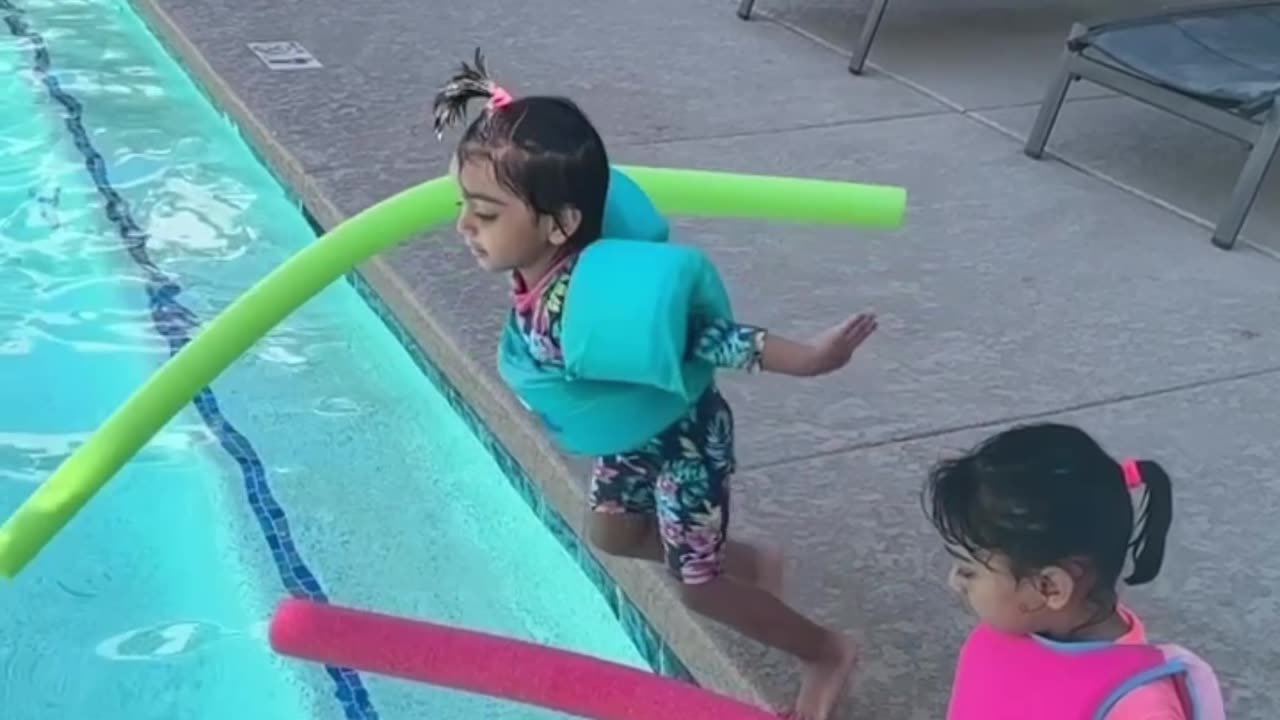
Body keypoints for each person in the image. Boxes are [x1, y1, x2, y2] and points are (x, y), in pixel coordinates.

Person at [432, 49, 875, 720]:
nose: (465, 225)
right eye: (464, 204)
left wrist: (810, 358)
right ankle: (756, 560)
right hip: (635, 436)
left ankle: (825, 652)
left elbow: (709, 335)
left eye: (486, 214)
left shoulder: (594, 303)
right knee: (610, 535)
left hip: (688, 447)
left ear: (560, 224)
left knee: (697, 586)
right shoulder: (539, 268)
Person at [925, 423, 1226, 720]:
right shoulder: (1015, 627)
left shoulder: (1140, 707)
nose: (954, 582)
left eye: (968, 572)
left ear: (1050, 587)